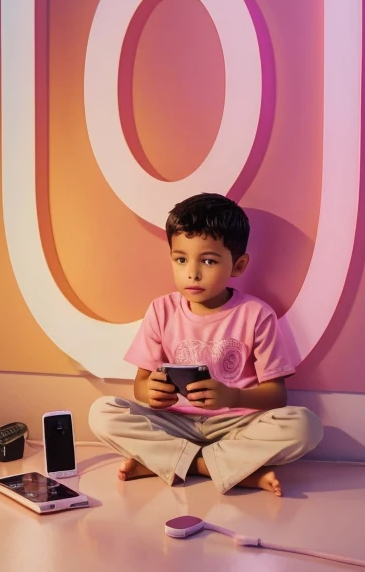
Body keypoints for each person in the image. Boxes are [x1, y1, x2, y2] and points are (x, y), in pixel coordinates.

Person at [88, 193, 323, 495]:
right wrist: (153, 392)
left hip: (236, 427)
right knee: (103, 411)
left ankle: (169, 464)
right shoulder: (161, 310)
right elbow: (140, 386)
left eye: (208, 261)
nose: (192, 273)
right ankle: (229, 470)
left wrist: (233, 397)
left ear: (238, 266)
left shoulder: (257, 315)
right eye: (181, 259)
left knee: (306, 425)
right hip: (174, 424)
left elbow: (277, 396)